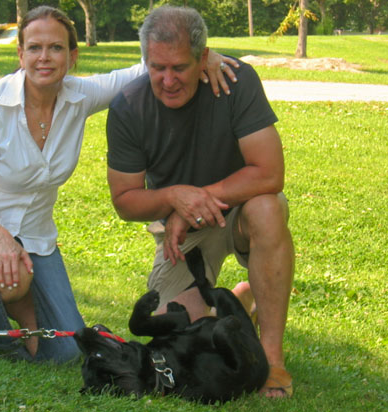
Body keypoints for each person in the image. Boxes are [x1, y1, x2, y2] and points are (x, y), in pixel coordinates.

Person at [0, 5, 237, 363]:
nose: (44, 57)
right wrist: (0, 239)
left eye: (56, 48)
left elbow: (148, 66)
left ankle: (6, 302)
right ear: (20, 53)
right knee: (3, 268)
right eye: (34, 47)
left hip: (35, 240)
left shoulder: (80, 97)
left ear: (72, 56)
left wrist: (206, 55)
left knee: (65, 351)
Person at [106, 6, 294, 397]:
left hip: (238, 211)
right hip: (183, 234)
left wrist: (199, 198)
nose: (168, 80)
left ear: (202, 56)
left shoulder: (235, 82)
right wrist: (174, 198)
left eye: (179, 67)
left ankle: (273, 360)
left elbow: (269, 173)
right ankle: (240, 304)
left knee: (268, 207)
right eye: (157, 67)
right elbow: (125, 201)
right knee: (171, 330)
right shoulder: (128, 104)